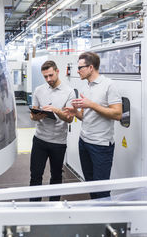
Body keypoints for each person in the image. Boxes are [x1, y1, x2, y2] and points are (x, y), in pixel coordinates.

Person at [65, 52, 122, 199]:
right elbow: (85, 116)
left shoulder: (109, 85)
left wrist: (91, 104)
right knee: (90, 184)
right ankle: (96, 215)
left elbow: (117, 114)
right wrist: (75, 111)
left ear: (91, 67)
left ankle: (105, 219)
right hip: (84, 142)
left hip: (101, 145)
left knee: (101, 188)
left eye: (80, 68)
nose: (78, 71)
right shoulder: (86, 87)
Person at [29, 60, 75, 201]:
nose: (48, 79)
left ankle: (54, 207)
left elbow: (69, 119)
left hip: (58, 142)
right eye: (45, 77)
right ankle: (34, 207)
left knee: (56, 175)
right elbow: (32, 115)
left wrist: (55, 110)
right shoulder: (39, 90)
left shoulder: (69, 92)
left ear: (57, 71)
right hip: (40, 140)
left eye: (50, 75)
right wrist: (37, 116)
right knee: (35, 175)